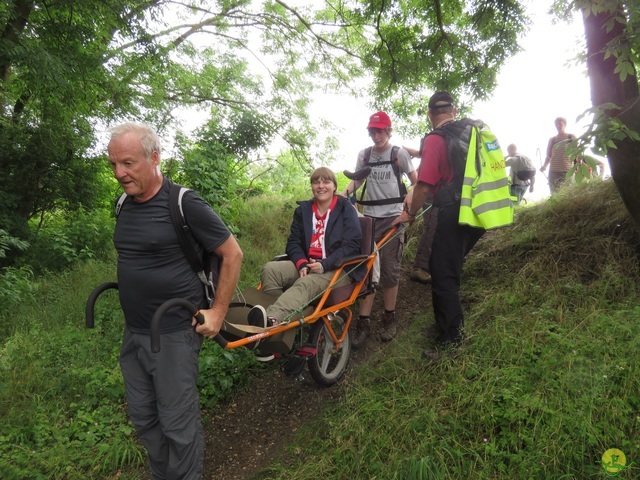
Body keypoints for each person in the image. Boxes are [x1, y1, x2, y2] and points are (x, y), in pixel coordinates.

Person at [108, 123, 243, 479]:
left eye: (128, 163)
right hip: (135, 333)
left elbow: (233, 254)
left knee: (176, 422)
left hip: (173, 333)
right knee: (143, 416)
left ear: (154, 158)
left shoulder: (184, 203)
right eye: (114, 165)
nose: (119, 173)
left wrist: (217, 311)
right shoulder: (124, 203)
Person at [393, 91, 486, 358]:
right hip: (478, 210)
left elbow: (423, 184)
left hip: (453, 210)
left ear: (430, 114)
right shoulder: (473, 135)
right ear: (454, 111)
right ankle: (443, 326)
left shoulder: (435, 139)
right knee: (445, 266)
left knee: (443, 273)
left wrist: (410, 213)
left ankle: (452, 342)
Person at [248, 167, 363, 327]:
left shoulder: (345, 209)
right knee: (270, 270)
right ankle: (280, 323)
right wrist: (301, 263)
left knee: (307, 282)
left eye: (326, 181)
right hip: (308, 264)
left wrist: (324, 264)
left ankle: (271, 320)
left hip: (338, 269)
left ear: (335, 186)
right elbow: (293, 242)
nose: (321, 186)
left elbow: (352, 244)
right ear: (312, 187)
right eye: (316, 182)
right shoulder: (304, 211)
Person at [340, 111, 418, 347]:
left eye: (381, 130)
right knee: (366, 270)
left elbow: (416, 182)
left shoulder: (399, 155)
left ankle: (389, 315)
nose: (377, 135)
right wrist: (342, 196)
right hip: (369, 220)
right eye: (373, 131)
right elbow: (358, 180)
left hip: (393, 218)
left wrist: (407, 211)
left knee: (390, 270)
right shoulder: (364, 156)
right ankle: (364, 320)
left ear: (389, 130)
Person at [540, 117, 576, 194]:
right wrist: (544, 166)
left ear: (565, 125)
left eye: (560, 124)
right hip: (554, 171)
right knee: (555, 193)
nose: (558, 126)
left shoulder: (571, 137)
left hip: (568, 170)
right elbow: (549, 156)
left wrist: (579, 165)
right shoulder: (552, 140)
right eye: (556, 124)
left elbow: (577, 153)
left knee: (569, 193)